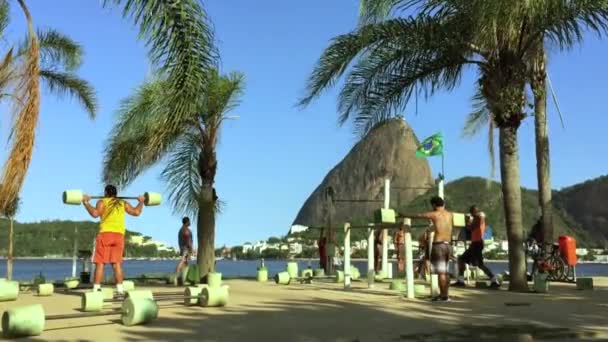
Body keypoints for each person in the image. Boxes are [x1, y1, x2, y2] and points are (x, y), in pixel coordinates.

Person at [82, 185, 144, 295]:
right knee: (116, 264)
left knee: (100, 263)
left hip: (105, 234)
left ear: (106, 192)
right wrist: (141, 201)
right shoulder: (122, 203)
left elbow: (95, 214)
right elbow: (136, 212)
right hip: (119, 235)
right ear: (116, 194)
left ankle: (96, 290)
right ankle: (120, 290)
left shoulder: (102, 201)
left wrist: (86, 202)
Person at [399, 196, 453, 302]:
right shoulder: (450, 215)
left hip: (439, 246)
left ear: (433, 205)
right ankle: (445, 294)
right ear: (443, 204)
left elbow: (418, 215)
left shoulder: (434, 214)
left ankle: (444, 296)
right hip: (449, 246)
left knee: (441, 273)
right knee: (445, 272)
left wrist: (404, 215)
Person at [453, 206, 500, 288]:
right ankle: (460, 280)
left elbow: (471, 227)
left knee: (480, 264)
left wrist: (467, 222)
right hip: (475, 243)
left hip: (477, 243)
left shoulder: (479, 218)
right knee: (461, 259)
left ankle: (494, 280)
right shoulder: (477, 218)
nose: (472, 214)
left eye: (472, 212)